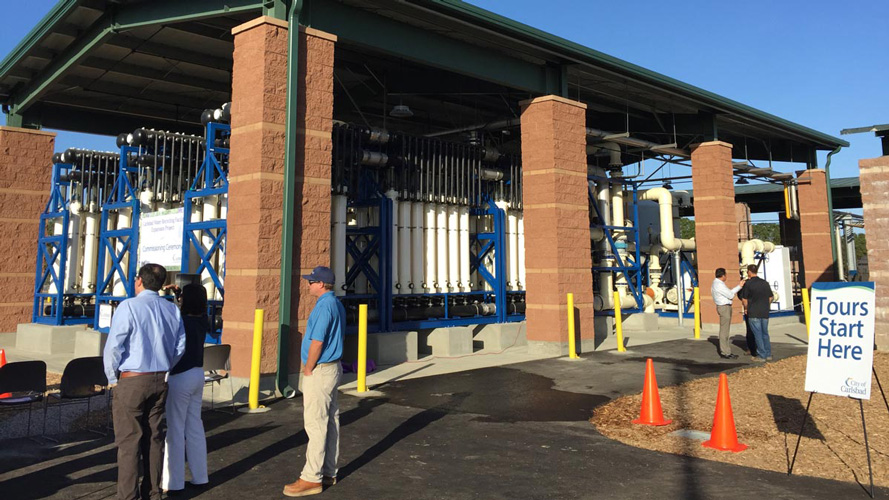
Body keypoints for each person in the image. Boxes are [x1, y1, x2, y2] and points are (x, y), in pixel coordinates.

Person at [103, 264, 186, 500]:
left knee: (129, 443)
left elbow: (114, 347)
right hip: (160, 378)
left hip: (132, 379)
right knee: (154, 438)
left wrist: (112, 379)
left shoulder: (128, 306)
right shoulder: (172, 310)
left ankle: (128, 496)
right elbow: (180, 347)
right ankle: (153, 492)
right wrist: (166, 366)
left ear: (139, 280)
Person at [284, 266, 346, 497]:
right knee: (330, 421)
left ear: (321, 284)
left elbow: (317, 341)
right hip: (333, 368)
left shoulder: (323, 306)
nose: (308, 284)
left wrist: (308, 368)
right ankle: (328, 471)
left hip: (320, 370)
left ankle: (312, 477)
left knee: (316, 424)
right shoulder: (336, 303)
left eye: (311, 281)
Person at [162, 284, 210, 494]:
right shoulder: (202, 320)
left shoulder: (181, 321)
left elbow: (175, 319)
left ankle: (173, 482)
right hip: (198, 374)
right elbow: (187, 308)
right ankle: (201, 476)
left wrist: (176, 299)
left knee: (175, 429)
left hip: (180, 376)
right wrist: (178, 294)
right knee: (195, 427)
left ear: (185, 301)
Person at [738, 264, 774, 362]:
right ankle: (768, 354)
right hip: (764, 311)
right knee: (765, 333)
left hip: (753, 312)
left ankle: (761, 355)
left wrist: (746, 308)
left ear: (749, 271)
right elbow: (771, 297)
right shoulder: (765, 283)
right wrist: (766, 305)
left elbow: (744, 299)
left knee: (757, 334)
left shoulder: (748, 284)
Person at [711, 268, 745, 359]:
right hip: (724, 307)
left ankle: (726, 350)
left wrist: (739, 286)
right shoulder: (718, 284)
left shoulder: (718, 283)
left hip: (725, 306)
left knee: (725, 329)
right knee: (724, 330)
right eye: (726, 274)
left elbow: (729, 293)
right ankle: (725, 352)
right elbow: (730, 295)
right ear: (723, 276)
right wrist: (739, 286)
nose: (726, 276)